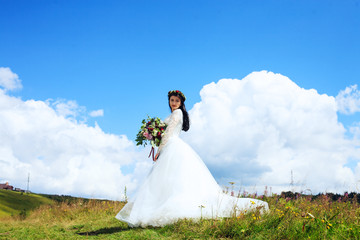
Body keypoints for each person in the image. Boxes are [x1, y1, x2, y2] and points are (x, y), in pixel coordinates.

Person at [116, 90, 269, 227]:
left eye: (176, 100)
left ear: (181, 102)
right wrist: (150, 132)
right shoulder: (173, 114)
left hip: (171, 146)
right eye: (172, 100)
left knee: (167, 179)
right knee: (167, 180)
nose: (174, 103)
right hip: (171, 146)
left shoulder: (177, 114)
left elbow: (168, 133)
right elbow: (163, 131)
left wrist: (159, 150)